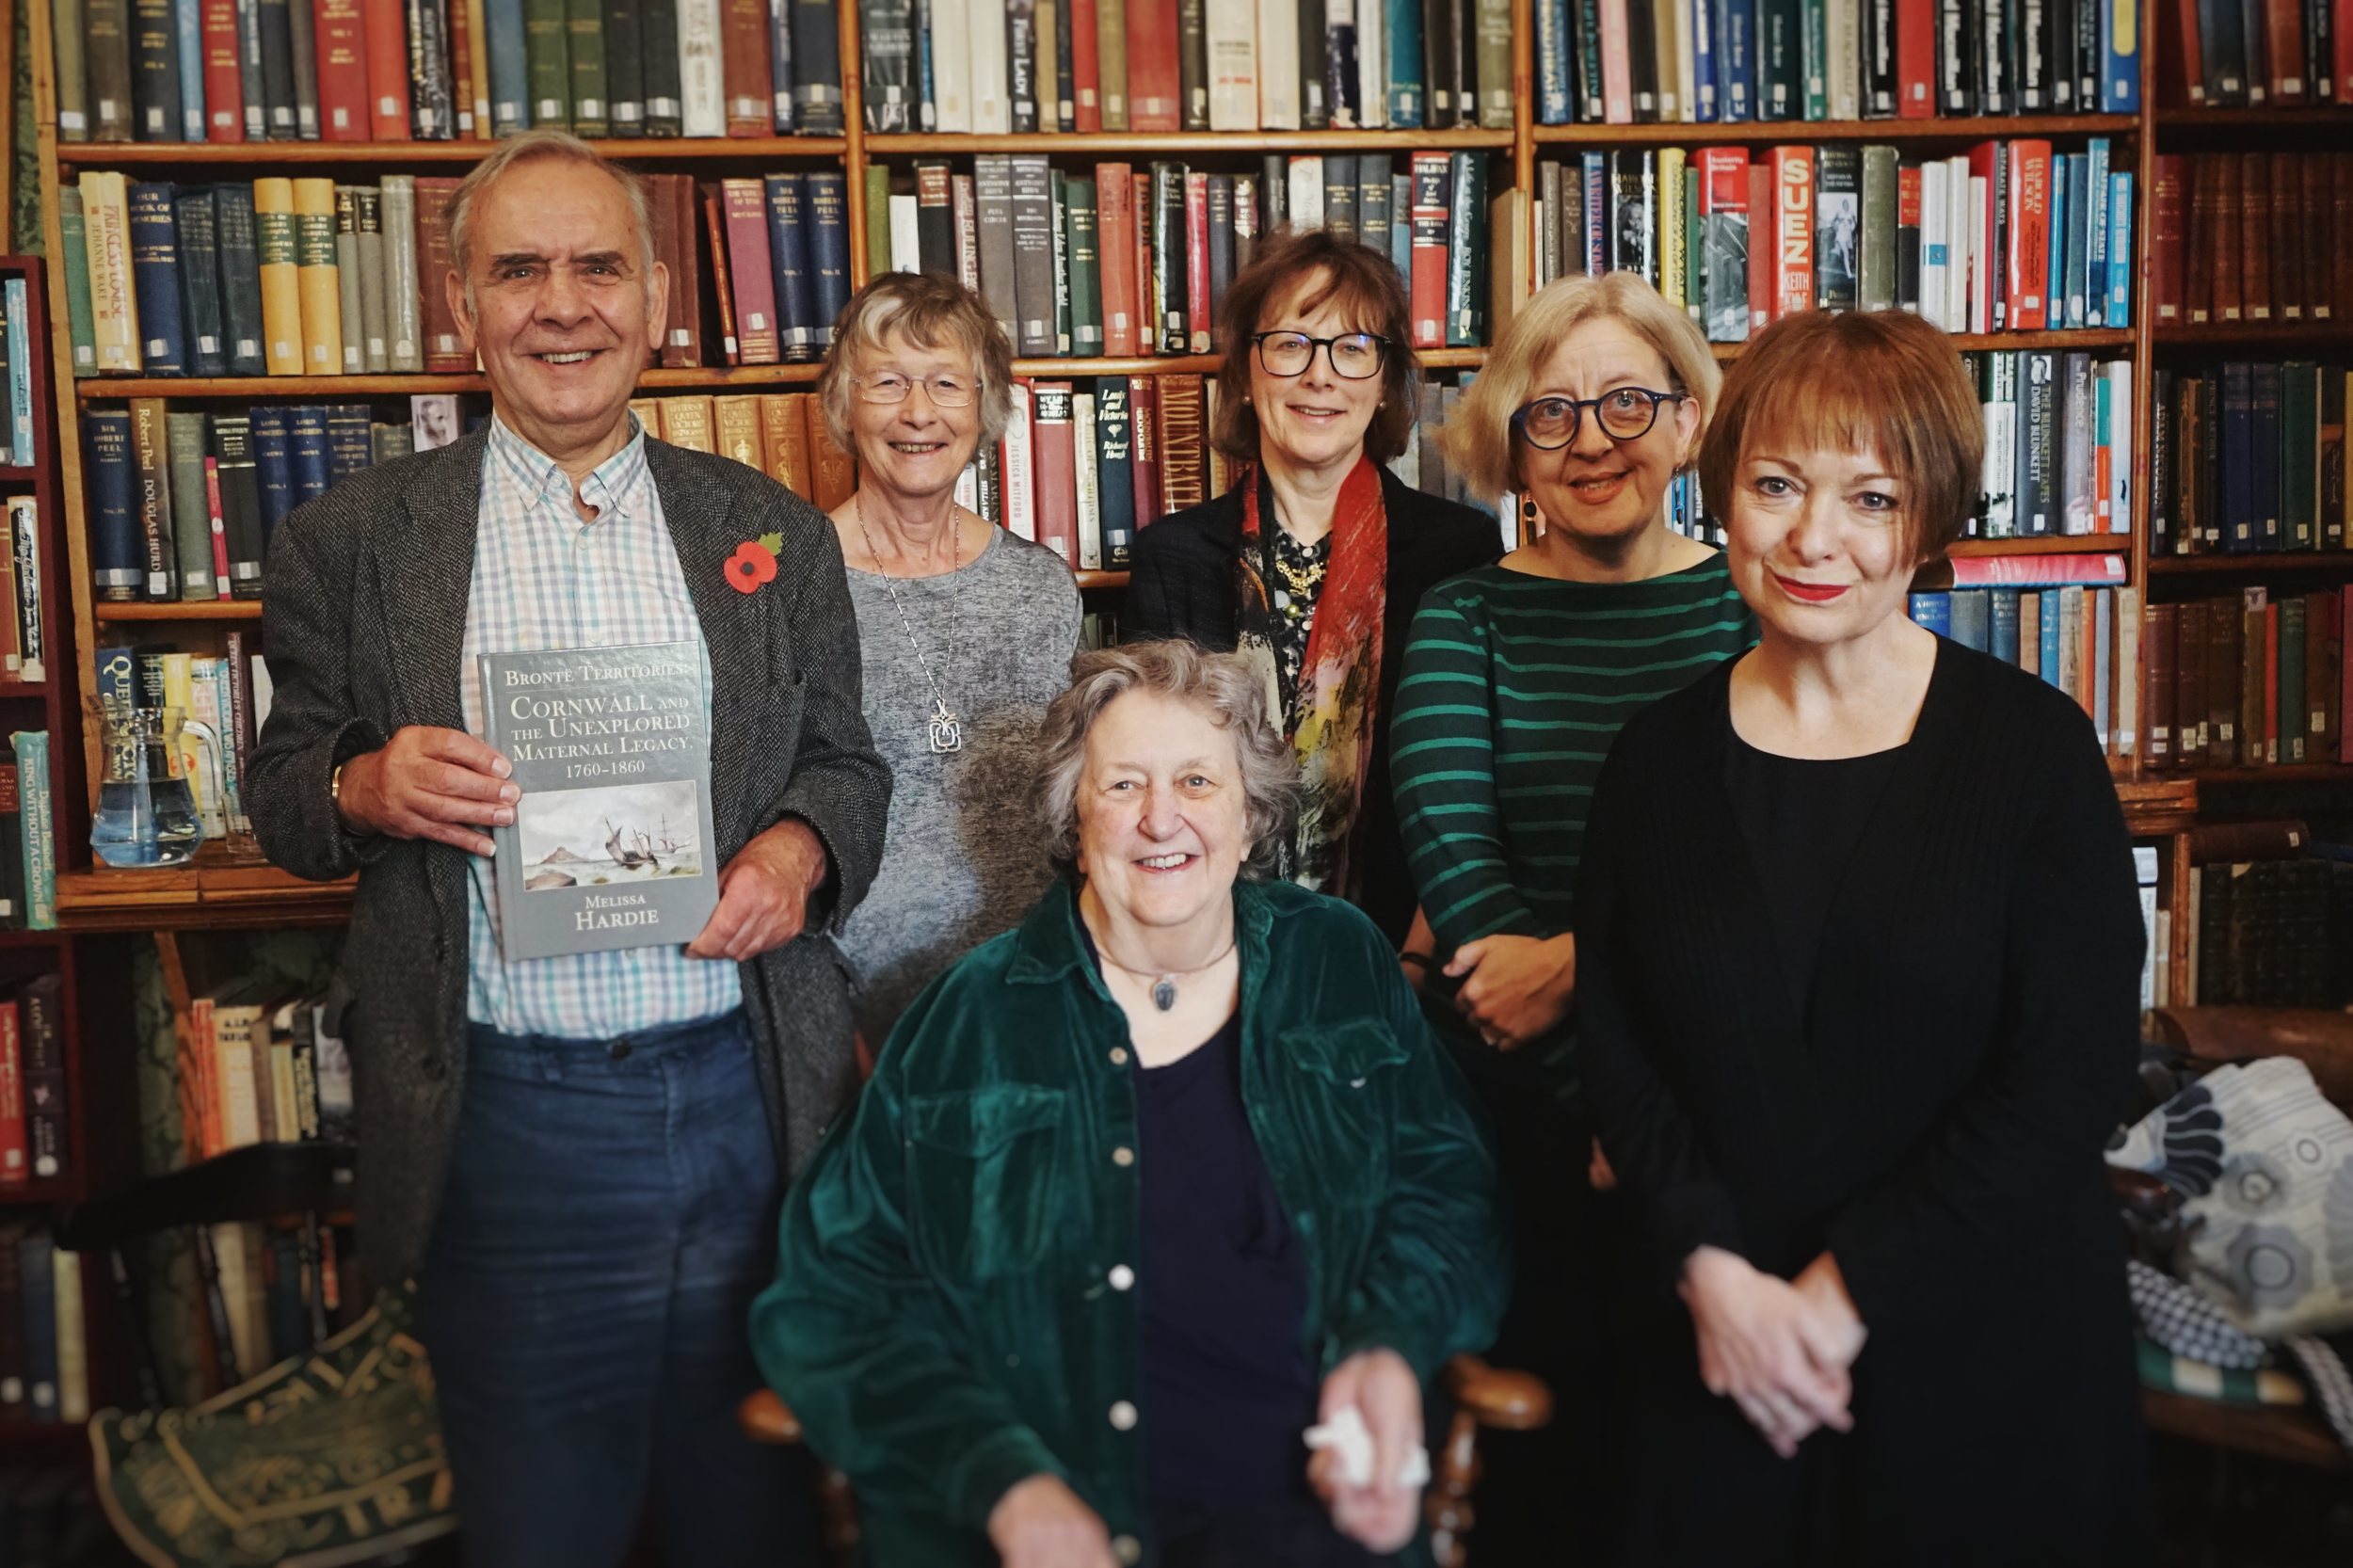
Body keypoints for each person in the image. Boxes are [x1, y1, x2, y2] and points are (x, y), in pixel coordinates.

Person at [245, 130, 890, 1568]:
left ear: (656, 296)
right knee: (542, 1528)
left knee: (757, 1524)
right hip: (506, 1119)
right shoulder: (351, 540)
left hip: (741, 1104)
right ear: (462, 308)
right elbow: (283, 790)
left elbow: (846, 765)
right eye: (518, 270)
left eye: (598, 265)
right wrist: (367, 780)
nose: (562, 304)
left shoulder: (772, 534)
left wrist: (793, 851)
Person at [1578, 309, 2151, 1563]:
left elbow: (2070, 1076)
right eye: (1777, 483)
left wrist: (1838, 1300)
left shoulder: (2034, 752)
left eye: (1870, 497)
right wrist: (1716, 1275)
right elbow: (1619, 1048)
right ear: (1724, 490)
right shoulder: (1653, 764)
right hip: (1714, 1354)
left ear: (1930, 518)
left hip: (1984, 1363)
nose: (1813, 538)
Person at [755, 641, 1509, 1568]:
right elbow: (833, 1292)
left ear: (1249, 812)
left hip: (1315, 1517)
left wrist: (1391, 1345)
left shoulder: (1336, 963)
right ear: (1075, 813)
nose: (1162, 820)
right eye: (1122, 786)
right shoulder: (973, 1016)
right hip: (1050, 1532)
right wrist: (1002, 1482)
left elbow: (1449, 1194)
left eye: (1197, 780)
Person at [1385, 270, 1756, 1557]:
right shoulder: (1462, 617)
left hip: (1719, 1104)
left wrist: (1638, 1101)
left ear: (1690, 422)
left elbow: (1778, 879)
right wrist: (1604, 1094)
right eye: (1553, 413)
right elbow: (1466, 890)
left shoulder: (1757, 612)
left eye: (1628, 401)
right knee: (1542, 1485)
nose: (1593, 437)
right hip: (1515, 1117)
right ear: (1509, 443)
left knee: (1705, 1477)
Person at [1127, 227, 1500, 946]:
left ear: (1386, 380)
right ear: (1245, 373)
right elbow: (1159, 775)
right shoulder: (1172, 557)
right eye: (1292, 344)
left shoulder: (1461, 549)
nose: (1320, 376)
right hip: (1218, 938)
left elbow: (1471, 786)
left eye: (1353, 348)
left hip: (1409, 941)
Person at [819, 271, 1082, 1044]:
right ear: (845, 402)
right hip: (854, 1005)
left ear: (985, 407)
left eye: (945, 383)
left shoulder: (1042, 584)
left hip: (1042, 982)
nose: (918, 412)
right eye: (888, 382)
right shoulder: (791, 584)